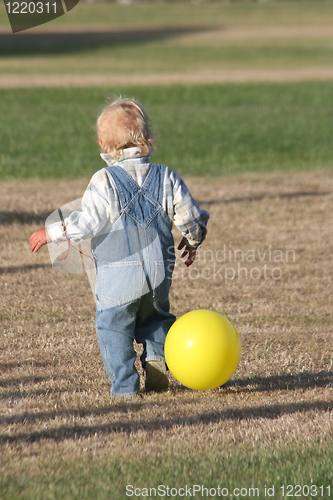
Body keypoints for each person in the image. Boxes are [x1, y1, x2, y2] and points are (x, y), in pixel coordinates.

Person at [30, 96, 209, 397]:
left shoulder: (105, 180)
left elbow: (87, 222)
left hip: (119, 276)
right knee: (155, 317)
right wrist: (193, 240)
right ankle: (155, 359)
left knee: (113, 327)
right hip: (158, 272)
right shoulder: (166, 176)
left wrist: (52, 232)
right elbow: (190, 216)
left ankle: (125, 386)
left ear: (103, 145)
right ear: (148, 139)